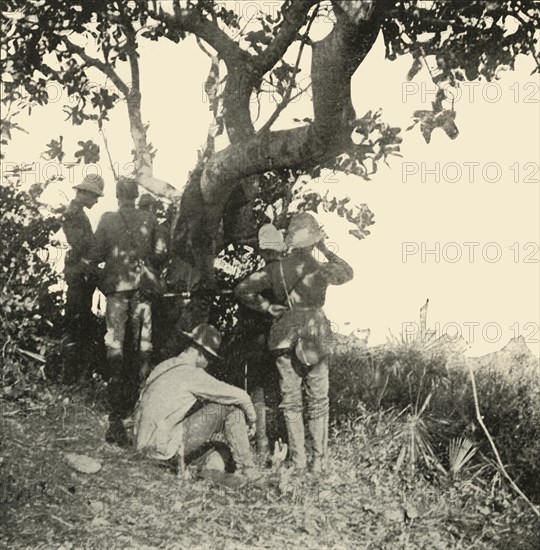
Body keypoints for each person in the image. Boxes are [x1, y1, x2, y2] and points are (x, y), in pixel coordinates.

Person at [235, 212, 354, 473]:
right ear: (313, 241)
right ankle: (318, 462)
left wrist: (267, 307)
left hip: (284, 335)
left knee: (291, 402)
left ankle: (298, 462)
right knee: (319, 400)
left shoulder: (277, 268)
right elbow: (348, 273)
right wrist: (325, 248)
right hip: (315, 334)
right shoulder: (321, 268)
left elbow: (242, 289)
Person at [89, 177, 167, 446]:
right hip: (143, 288)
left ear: (117, 194)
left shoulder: (108, 219)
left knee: (116, 342)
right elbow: (160, 254)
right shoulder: (151, 220)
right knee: (144, 343)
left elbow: (97, 253)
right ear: (136, 195)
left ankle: (115, 403)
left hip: (117, 290)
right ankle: (142, 399)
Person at [134, 323, 259, 480]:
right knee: (230, 409)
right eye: (210, 358)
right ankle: (248, 471)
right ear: (202, 353)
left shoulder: (163, 366)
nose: (209, 364)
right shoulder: (193, 374)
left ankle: (208, 471)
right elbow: (241, 396)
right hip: (163, 449)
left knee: (220, 448)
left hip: (141, 448)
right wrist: (253, 421)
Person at [235, 224, 286, 456]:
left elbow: (241, 292)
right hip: (286, 343)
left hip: (260, 342)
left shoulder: (261, 276)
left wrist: (264, 308)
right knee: (282, 391)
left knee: (258, 390)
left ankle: (262, 442)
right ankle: (281, 444)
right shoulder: (291, 275)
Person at [61, 174, 104, 383]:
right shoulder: (75, 214)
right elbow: (79, 246)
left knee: (79, 323)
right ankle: (70, 377)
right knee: (77, 324)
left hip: (79, 275)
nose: (96, 201)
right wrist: (91, 261)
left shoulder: (77, 213)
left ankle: (74, 375)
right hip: (79, 277)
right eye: (95, 196)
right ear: (85, 193)